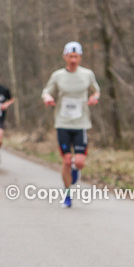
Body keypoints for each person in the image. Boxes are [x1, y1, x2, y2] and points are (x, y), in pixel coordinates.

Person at [42, 42, 100, 208]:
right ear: (65, 57)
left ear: (80, 57)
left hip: (81, 122)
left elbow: (96, 90)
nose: (73, 59)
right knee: (66, 161)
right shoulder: (58, 75)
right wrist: (47, 98)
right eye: (70, 56)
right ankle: (67, 195)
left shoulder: (87, 74)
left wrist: (94, 97)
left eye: (76, 56)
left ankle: (76, 168)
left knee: (79, 162)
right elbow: (46, 91)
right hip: (62, 122)